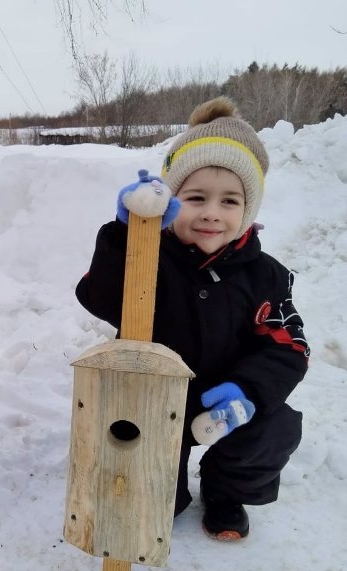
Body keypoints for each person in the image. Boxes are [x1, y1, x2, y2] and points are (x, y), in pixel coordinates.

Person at [75, 96, 308, 540]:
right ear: (171, 199)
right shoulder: (147, 253)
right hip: (156, 400)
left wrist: (250, 390)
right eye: (196, 197)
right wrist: (125, 235)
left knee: (275, 424)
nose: (211, 214)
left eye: (229, 201)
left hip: (228, 401)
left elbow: (289, 347)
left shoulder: (267, 276)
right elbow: (98, 296)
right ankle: (171, 486)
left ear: (248, 211)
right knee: (164, 505)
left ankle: (225, 492)